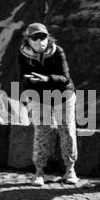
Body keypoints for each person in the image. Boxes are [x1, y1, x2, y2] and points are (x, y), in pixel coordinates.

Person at [17, 22, 78, 186]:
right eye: (35, 38)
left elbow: (65, 77)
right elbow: (22, 77)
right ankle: (39, 171)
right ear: (28, 40)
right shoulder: (23, 54)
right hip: (39, 97)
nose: (39, 41)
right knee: (42, 131)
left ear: (48, 37)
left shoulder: (58, 51)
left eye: (42, 37)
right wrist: (30, 83)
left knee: (67, 129)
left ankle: (70, 169)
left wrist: (46, 79)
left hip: (63, 95)